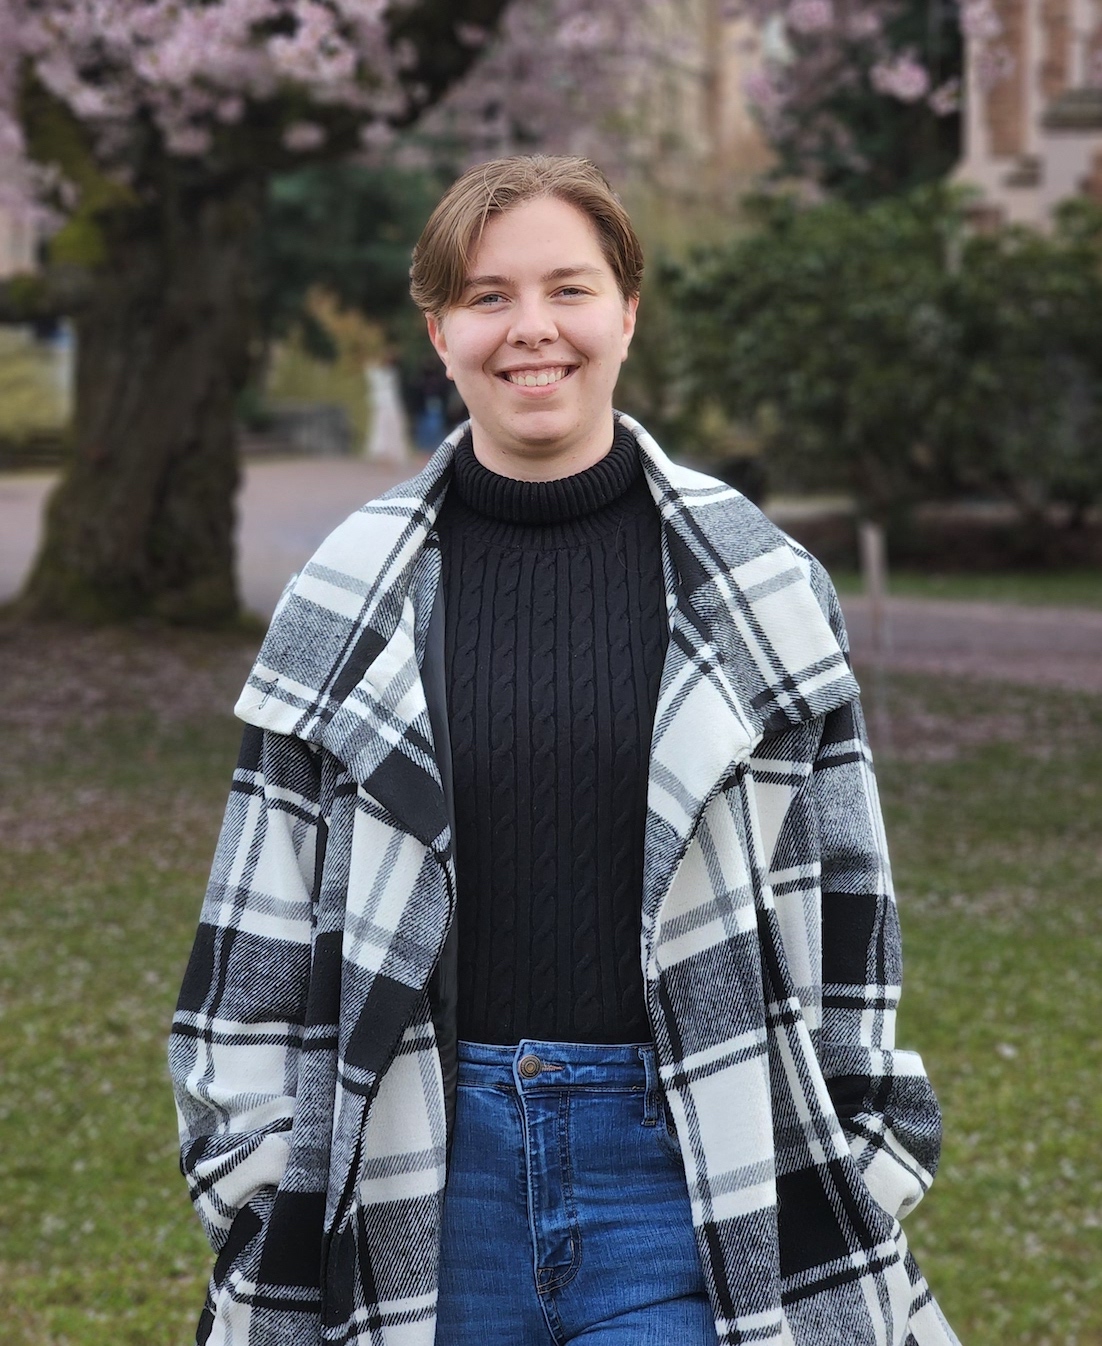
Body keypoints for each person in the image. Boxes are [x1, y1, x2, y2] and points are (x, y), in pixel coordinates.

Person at [169, 155, 959, 1346]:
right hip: (420, 1169)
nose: (530, 329)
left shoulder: (761, 585)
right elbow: (256, 928)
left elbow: (846, 901)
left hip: (696, 1168)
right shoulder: (338, 599)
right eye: (486, 297)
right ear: (438, 333)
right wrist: (253, 1175)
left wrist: (864, 1151)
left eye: (568, 289)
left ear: (626, 312)